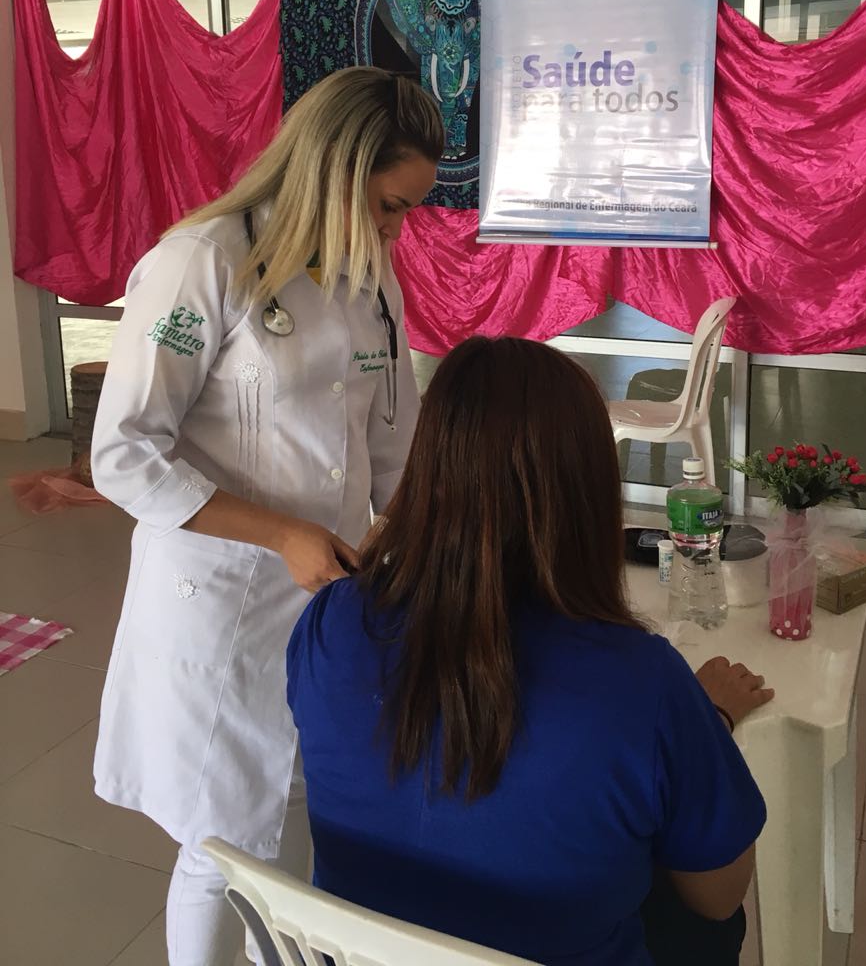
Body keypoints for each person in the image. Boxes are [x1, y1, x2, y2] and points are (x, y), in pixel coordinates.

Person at [91, 66, 444, 966]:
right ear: (334, 169)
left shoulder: (372, 279)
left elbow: (395, 445)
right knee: (224, 842)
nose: (396, 231)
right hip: (223, 603)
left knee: (302, 813)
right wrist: (284, 533)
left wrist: (405, 544)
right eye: (389, 206)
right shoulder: (203, 262)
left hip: (331, 600)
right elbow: (125, 453)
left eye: (406, 212)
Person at [288, 336, 773, 966]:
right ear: (588, 492)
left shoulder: (332, 621)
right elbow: (718, 895)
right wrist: (709, 721)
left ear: (426, 469)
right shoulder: (643, 683)